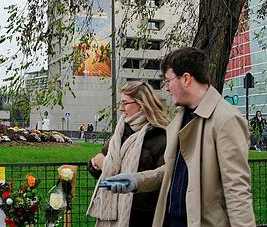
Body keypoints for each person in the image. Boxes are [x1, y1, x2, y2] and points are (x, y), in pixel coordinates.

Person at [102, 47, 256, 227]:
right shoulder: (180, 118)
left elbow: (237, 190)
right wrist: (136, 180)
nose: (166, 88)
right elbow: (171, 171)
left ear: (186, 78)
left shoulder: (226, 119)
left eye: (168, 80)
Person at [86, 82, 169, 226]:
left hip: (142, 217)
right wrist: (94, 164)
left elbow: (164, 180)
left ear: (141, 104)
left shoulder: (161, 136)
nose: (121, 108)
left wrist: (106, 165)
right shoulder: (120, 133)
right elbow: (102, 170)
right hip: (112, 215)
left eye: (125, 103)